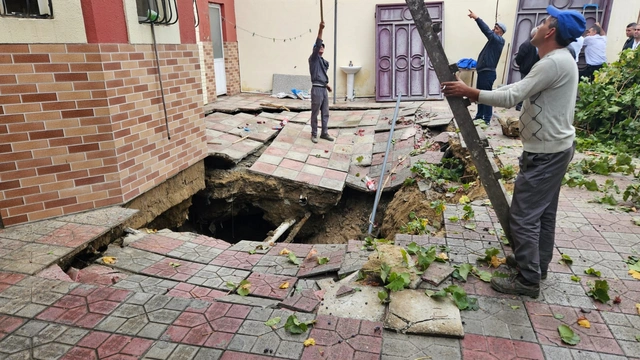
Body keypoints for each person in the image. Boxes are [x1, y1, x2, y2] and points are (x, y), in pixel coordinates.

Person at [441, 5, 586, 297]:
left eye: (544, 22)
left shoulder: (553, 62)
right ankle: (534, 263)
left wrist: (470, 92)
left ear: (551, 31)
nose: (538, 26)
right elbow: (519, 87)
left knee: (523, 216)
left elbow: (512, 95)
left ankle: (528, 280)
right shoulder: (558, 59)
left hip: (547, 153)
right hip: (552, 148)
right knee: (543, 214)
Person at [467, 9, 506, 125]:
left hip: (488, 73)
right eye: (494, 27)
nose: (494, 29)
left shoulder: (498, 40)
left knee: (487, 97)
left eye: (497, 28)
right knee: (480, 96)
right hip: (483, 72)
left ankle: (487, 119)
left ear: (501, 32)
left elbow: (487, 31)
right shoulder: (493, 41)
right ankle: (479, 116)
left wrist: (477, 18)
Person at [308, 21, 334, 144]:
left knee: (325, 113)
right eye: (320, 46)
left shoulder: (323, 62)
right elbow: (317, 43)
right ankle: (314, 134)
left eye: (323, 46)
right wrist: (320, 29)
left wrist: (327, 86)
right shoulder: (313, 59)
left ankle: (324, 133)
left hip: (323, 89)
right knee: (315, 112)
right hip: (317, 90)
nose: (322, 47)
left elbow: (321, 76)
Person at [514, 28, 539, 111]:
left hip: (533, 70)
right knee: (524, 88)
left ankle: (525, 105)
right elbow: (519, 59)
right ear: (534, 35)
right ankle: (519, 105)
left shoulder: (537, 45)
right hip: (526, 70)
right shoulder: (527, 44)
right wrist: (523, 66)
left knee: (529, 88)